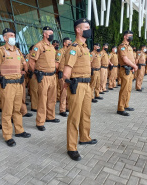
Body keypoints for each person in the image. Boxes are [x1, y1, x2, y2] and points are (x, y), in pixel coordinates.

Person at [63, 18, 97, 161]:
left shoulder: (85, 48)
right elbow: (66, 72)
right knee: (74, 117)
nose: (89, 29)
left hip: (86, 85)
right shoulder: (74, 48)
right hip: (76, 86)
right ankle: (71, 147)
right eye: (86, 27)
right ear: (78, 30)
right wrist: (67, 86)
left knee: (86, 114)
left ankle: (84, 137)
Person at [0, 28, 31, 147]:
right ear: (5, 38)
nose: (13, 37)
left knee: (17, 109)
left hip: (18, 84)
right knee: (7, 111)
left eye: (14, 35)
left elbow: (24, 64)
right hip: (7, 84)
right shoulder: (0, 51)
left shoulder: (18, 51)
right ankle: (8, 135)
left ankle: (19, 130)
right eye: (10, 35)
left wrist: (24, 71)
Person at [29, 26, 60, 131]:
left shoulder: (51, 47)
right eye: (50, 33)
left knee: (52, 98)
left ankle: (50, 117)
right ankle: (40, 122)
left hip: (52, 76)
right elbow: (31, 62)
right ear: (45, 34)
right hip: (43, 77)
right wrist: (36, 73)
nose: (52, 34)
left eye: (52, 33)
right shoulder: (38, 46)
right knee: (42, 99)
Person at [117, 30, 138, 116]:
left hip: (130, 70)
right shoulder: (122, 46)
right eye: (130, 35)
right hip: (125, 70)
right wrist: (134, 66)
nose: (131, 37)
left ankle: (126, 105)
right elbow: (125, 59)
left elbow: (131, 58)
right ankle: (120, 108)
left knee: (128, 89)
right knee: (124, 89)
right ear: (125, 36)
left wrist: (133, 66)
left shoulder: (129, 47)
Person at [56, 37, 72, 117]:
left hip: (70, 74)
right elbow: (57, 63)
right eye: (68, 42)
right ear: (64, 43)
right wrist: (59, 72)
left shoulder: (71, 51)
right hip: (63, 73)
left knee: (69, 91)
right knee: (64, 92)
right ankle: (62, 109)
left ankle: (68, 107)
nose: (70, 43)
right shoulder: (60, 51)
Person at [27, 45, 38, 112]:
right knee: (34, 91)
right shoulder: (29, 56)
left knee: (38, 91)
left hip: (39, 74)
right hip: (33, 74)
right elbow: (28, 64)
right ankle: (34, 106)